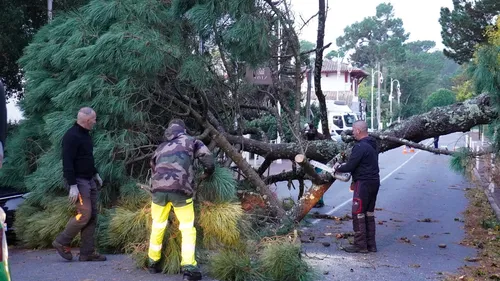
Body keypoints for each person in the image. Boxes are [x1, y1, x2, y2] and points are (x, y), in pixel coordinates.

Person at [146, 119, 214, 281]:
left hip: (158, 192)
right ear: (183, 130)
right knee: (187, 228)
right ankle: (189, 268)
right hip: (181, 191)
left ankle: (152, 262)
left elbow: (153, 165)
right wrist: (208, 173)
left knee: (157, 225)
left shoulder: (161, 147)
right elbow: (207, 158)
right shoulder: (192, 141)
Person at [52, 107, 106, 262]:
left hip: (89, 179)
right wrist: (73, 186)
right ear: (88, 120)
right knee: (84, 214)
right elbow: (67, 162)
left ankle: (87, 253)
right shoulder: (71, 136)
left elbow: (87, 158)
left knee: (92, 215)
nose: (96, 122)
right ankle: (61, 241)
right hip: (78, 181)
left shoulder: (86, 136)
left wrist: (96, 174)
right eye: (94, 119)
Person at [334, 120, 379, 253]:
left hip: (363, 183)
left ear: (358, 131)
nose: (352, 133)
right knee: (369, 213)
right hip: (374, 182)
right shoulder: (373, 145)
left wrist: (338, 167)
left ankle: (360, 245)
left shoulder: (359, 147)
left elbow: (350, 166)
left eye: (353, 130)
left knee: (358, 213)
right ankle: (371, 244)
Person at [302, 123, 327, 208]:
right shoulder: (308, 138)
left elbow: (313, 133)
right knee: (314, 181)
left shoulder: (318, 137)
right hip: (313, 162)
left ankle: (319, 201)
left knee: (318, 181)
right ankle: (316, 200)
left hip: (320, 163)